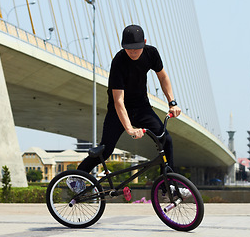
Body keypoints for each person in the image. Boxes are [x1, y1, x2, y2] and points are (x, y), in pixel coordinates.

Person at [77, 24, 181, 175]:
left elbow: (163, 76)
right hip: (118, 111)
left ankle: (168, 186)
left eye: (137, 48)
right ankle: (77, 177)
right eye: (129, 48)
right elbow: (118, 101)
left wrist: (172, 102)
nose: (133, 52)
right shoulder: (119, 62)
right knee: (105, 150)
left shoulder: (151, 53)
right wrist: (130, 129)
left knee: (166, 140)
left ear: (144, 42)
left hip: (142, 107)